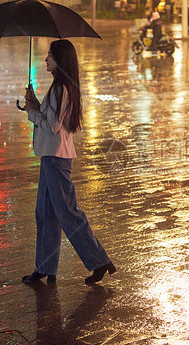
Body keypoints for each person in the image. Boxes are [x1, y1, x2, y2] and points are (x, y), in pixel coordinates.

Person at [22, 39, 116, 285]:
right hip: (49, 156)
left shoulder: (61, 88)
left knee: (67, 213)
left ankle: (100, 260)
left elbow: (52, 126)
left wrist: (32, 114)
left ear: (60, 60)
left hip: (56, 158)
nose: (46, 60)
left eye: (50, 56)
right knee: (44, 213)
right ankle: (45, 267)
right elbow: (52, 118)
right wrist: (34, 104)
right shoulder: (58, 88)